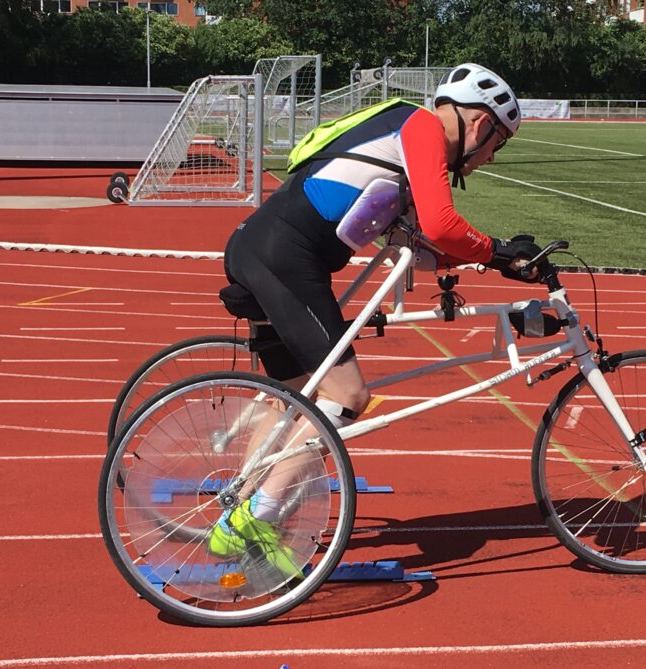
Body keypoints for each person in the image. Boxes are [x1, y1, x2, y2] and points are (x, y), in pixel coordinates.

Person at [213, 64, 542, 570]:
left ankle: (239, 515)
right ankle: (256, 519)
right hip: (284, 257)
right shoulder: (423, 128)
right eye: (497, 144)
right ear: (480, 124)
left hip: (263, 246)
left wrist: (498, 261)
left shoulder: (402, 136)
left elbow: (421, 243)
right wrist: (496, 250)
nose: (489, 157)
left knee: (295, 400)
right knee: (348, 396)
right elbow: (442, 223)